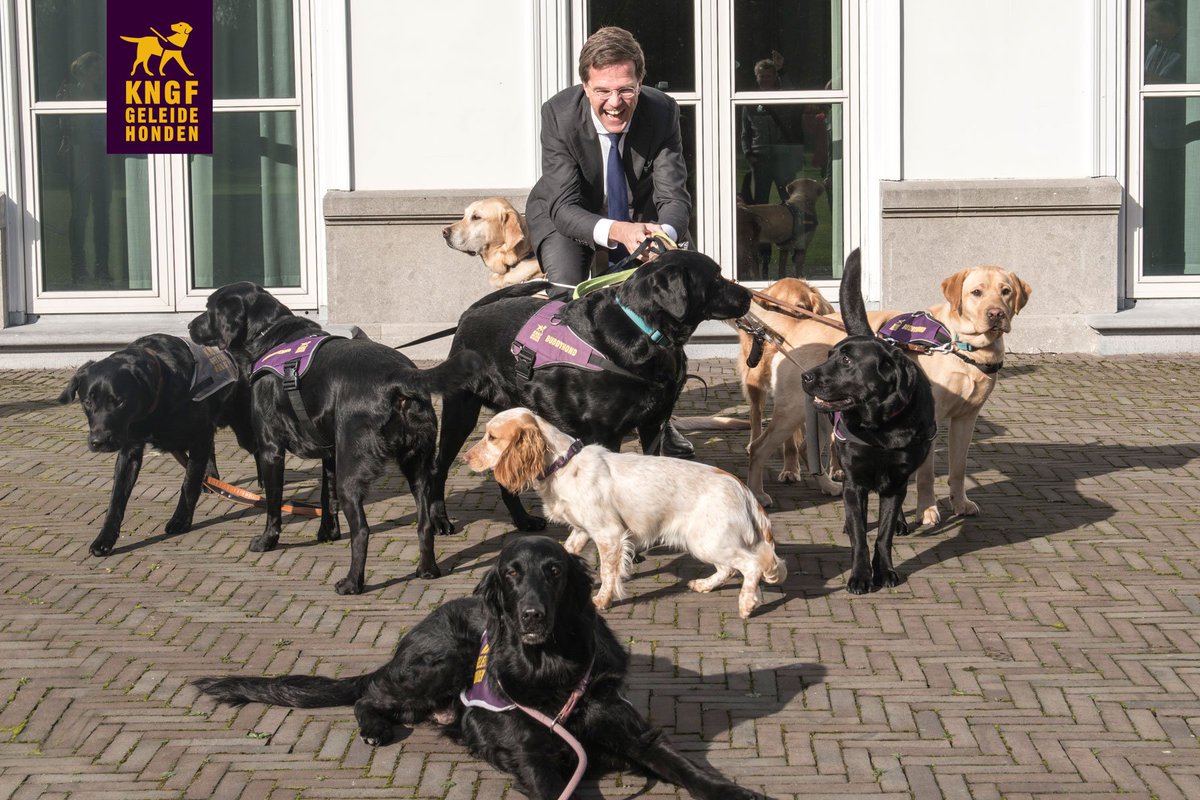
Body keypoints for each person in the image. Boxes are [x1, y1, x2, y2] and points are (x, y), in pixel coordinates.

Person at [524, 26, 695, 458]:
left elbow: (674, 198)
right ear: (585, 86)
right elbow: (563, 207)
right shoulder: (558, 114)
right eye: (602, 91)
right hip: (566, 215)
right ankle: (562, 420)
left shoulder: (662, 111)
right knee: (565, 300)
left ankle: (659, 418)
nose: (615, 103)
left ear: (641, 82)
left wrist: (663, 235)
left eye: (626, 90)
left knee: (666, 306)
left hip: (639, 219)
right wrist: (617, 231)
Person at [57, 51, 111, 287]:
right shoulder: (68, 91)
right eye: (97, 69)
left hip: (101, 156)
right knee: (80, 213)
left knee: (102, 213)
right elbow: (64, 125)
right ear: (84, 69)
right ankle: (78, 269)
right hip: (79, 157)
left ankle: (102, 268)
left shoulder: (102, 91)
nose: (101, 74)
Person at [739, 52, 805, 206]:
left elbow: (791, 94)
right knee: (760, 202)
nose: (765, 80)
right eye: (761, 76)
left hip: (783, 157)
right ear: (756, 77)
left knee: (789, 200)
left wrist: (781, 70)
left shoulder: (782, 97)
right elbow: (745, 133)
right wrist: (748, 153)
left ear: (775, 77)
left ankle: (792, 229)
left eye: (768, 76)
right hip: (760, 159)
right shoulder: (749, 101)